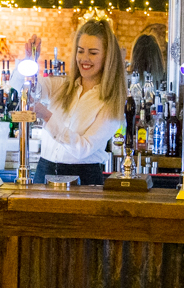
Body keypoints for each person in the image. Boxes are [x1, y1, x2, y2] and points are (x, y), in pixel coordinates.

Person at [17, 18, 127, 185]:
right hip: (44, 171)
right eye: (81, 51)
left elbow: (83, 149)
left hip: (84, 178)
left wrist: (47, 116)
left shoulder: (111, 102)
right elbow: (22, 87)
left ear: (107, 57)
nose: (84, 58)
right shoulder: (61, 86)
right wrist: (28, 59)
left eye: (93, 52)